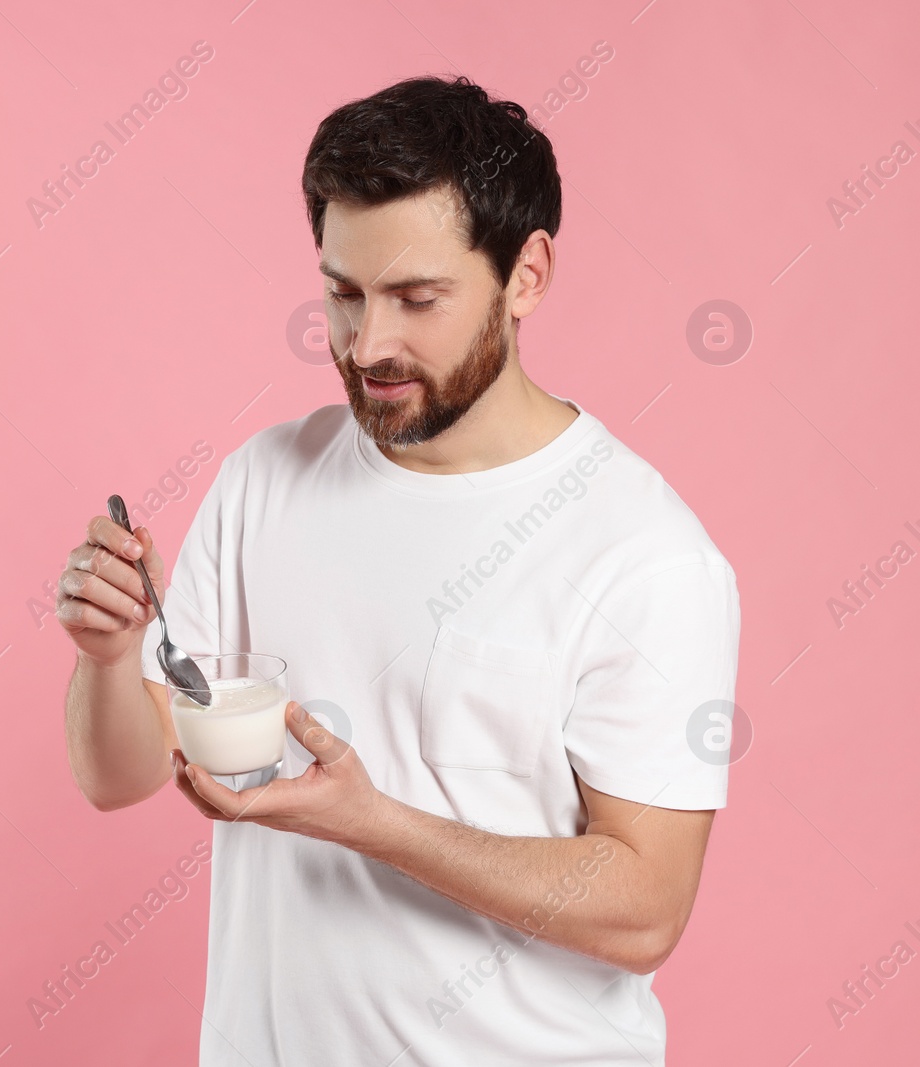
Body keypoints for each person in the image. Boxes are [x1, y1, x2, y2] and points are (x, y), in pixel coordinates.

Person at [57, 74, 741, 1066]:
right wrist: (110, 653)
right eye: (342, 294)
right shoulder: (266, 481)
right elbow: (116, 775)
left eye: (417, 298)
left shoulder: (644, 553)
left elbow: (644, 910)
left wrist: (372, 821)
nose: (367, 344)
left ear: (527, 275)